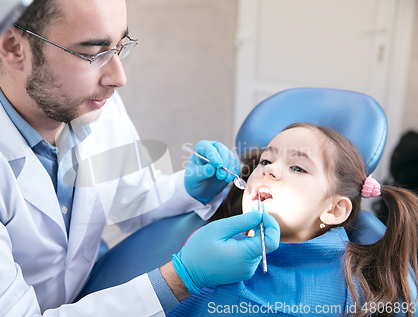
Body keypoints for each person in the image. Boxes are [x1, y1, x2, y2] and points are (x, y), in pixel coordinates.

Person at [0, 0, 280, 316]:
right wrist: (181, 280)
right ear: (14, 47)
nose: (118, 77)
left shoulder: (90, 103)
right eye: (93, 52)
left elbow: (130, 198)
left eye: (120, 46)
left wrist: (186, 189)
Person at [168, 123, 418, 317]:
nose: (269, 170)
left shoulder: (357, 287)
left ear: (334, 209)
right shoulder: (205, 251)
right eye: (266, 160)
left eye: (298, 168)